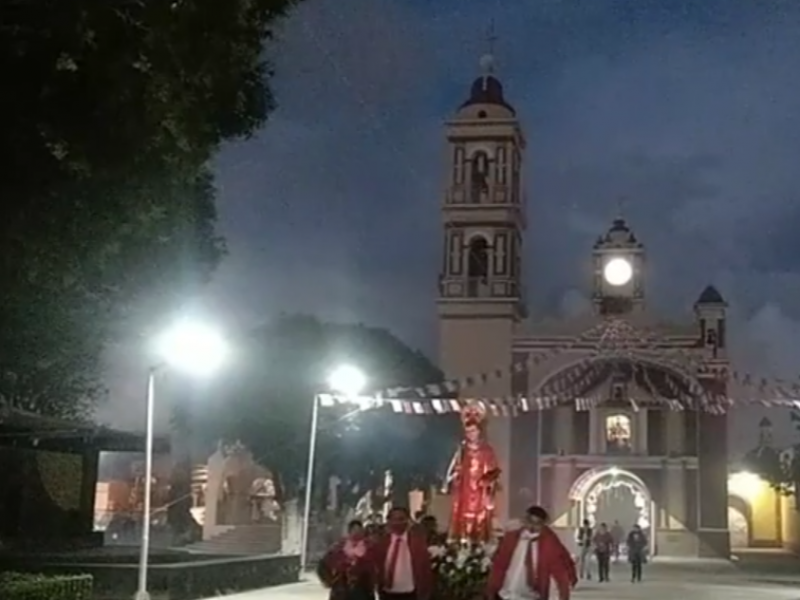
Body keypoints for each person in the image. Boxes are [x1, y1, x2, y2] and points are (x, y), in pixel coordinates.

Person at [486, 505, 577, 600]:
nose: (532, 527)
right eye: (530, 521)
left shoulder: (549, 544)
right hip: (505, 594)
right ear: (525, 520)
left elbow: (560, 571)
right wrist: (491, 589)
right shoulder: (511, 539)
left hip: (531, 596)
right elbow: (499, 565)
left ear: (543, 525)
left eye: (537, 523)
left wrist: (564, 594)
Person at [445, 404, 500, 543]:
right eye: (468, 431)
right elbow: (453, 469)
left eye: (474, 431)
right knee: (462, 515)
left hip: (480, 489)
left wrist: (487, 480)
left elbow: (494, 470)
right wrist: (453, 478)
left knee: (479, 516)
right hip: (464, 488)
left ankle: (478, 540)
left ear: (479, 431)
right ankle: (462, 540)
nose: (471, 434)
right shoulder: (462, 449)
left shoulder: (487, 450)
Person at [375, 506, 434, 600]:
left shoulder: (417, 543)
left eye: (401, 519)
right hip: (387, 592)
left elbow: (425, 569)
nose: (397, 523)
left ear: (408, 520)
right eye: (394, 519)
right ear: (388, 521)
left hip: (411, 592)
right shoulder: (382, 543)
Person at [318, 519, 377, 600]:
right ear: (349, 532)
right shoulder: (338, 547)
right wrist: (329, 581)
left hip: (363, 591)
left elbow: (375, 567)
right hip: (341, 591)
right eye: (354, 530)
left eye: (359, 530)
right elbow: (323, 564)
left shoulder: (369, 548)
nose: (357, 533)